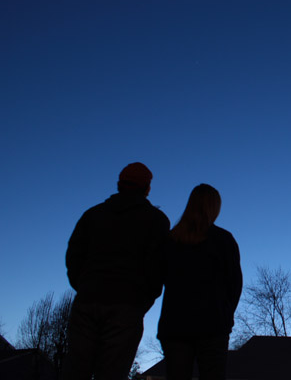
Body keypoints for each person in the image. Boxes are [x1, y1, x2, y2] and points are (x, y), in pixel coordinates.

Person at [63, 162, 170, 380]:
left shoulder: (92, 216)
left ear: (119, 184)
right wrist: (143, 298)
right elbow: (158, 267)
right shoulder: (156, 221)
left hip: (87, 301)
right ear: (147, 188)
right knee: (113, 373)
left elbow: (73, 257)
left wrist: (85, 286)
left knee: (76, 371)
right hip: (127, 306)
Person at [157, 184, 242, 380]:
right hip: (213, 326)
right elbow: (234, 285)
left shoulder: (172, 240)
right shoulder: (223, 240)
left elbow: (160, 277)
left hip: (175, 325)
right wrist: (226, 315)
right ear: (214, 208)